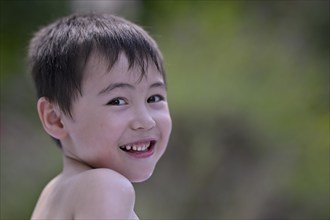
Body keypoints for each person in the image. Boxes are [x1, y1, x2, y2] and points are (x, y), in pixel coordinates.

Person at [28, 13, 172, 219]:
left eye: (154, 97)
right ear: (56, 118)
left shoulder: (55, 191)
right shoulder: (105, 187)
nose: (146, 121)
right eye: (118, 101)